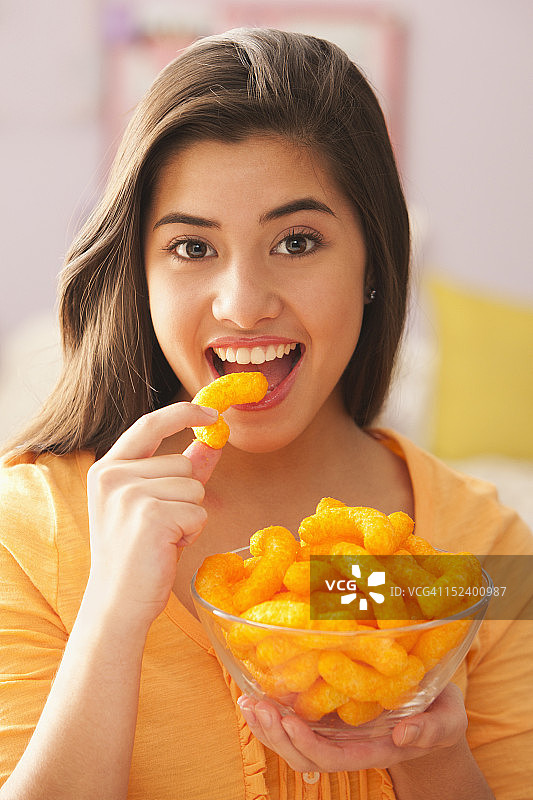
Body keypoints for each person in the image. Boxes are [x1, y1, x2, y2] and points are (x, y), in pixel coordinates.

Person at [0, 27, 531, 800]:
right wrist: (112, 613)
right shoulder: (29, 533)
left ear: (373, 264)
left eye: (297, 240)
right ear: (138, 276)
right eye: (190, 248)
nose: (243, 305)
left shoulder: (484, 554)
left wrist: (426, 753)